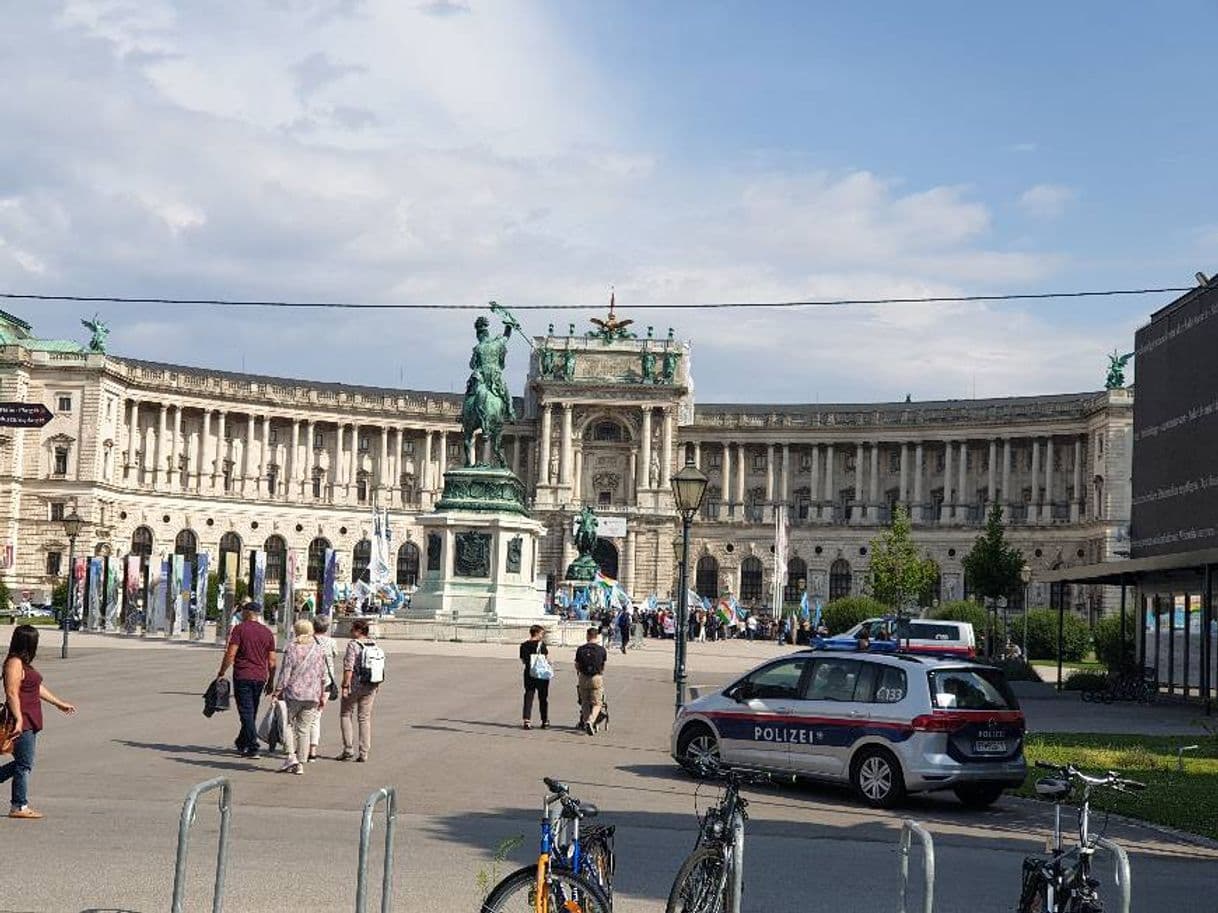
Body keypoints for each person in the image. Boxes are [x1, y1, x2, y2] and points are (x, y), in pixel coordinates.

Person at [1, 625, 75, 819]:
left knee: (23, 763)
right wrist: (18, 718)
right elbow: (11, 692)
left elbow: (37, 688)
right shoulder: (14, 663)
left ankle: (19, 805)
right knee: (24, 764)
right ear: (28, 643)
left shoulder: (24, 664)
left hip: (30, 718)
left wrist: (59, 703)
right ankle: (19, 806)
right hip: (22, 718)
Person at [217, 601, 276, 759]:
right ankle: (241, 742)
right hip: (260, 677)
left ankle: (253, 746)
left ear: (248, 612)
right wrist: (271, 681)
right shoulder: (267, 633)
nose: (241, 613)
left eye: (243, 611)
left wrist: (222, 672)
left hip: (243, 675)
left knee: (246, 712)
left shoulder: (240, 629)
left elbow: (231, 654)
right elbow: (272, 661)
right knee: (251, 711)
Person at [272, 620, 326, 775]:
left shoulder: (292, 648)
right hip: (313, 694)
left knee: (287, 724)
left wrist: (278, 691)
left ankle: (291, 756)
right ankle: (301, 763)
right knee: (304, 729)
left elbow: (285, 672)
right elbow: (322, 675)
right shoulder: (318, 649)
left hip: (293, 693)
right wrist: (322, 694)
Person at [339, 618, 380, 762]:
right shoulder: (373, 644)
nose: (351, 632)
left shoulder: (353, 645)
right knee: (364, 718)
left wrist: (345, 685)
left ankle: (348, 749)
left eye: (353, 629)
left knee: (346, 714)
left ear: (358, 631)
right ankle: (364, 752)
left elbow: (349, 667)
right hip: (371, 684)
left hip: (355, 684)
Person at [308, 615, 339, 762]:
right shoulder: (331, 642)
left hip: (308, 681)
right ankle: (312, 750)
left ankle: (301, 745)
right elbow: (335, 655)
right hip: (326, 682)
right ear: (327, 627)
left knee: (302, 716)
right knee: (316, 717)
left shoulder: (307, 640)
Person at [574, 627, 608, 735]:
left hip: (583, 677)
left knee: (584, 701)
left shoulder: (580, 649)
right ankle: (591, 720)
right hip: (596, 677)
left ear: (587, 635)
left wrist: (579, 671)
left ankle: (585, 721)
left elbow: (577, 664)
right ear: (597, 636)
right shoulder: (601, 650)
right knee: (597, 702)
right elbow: (603, 665)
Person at [519, 625, 550, 730]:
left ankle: (527, 720)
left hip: (529, 672)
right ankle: (544, 720)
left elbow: (523, 660)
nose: (543, 635)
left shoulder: (523, 645)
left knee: (529, 695)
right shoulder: (541, 645)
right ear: (537, 633)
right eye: (542, 633)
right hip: (541, 674)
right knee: (543, 698)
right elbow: (545, 658)